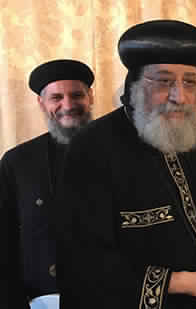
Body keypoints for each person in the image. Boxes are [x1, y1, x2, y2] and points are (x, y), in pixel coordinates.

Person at [55, 20, 196, 309]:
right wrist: (186, 282)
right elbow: (83, 264)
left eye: (189, 82)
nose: (180, 96)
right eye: (164, 81)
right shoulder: (91, 146)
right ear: (135, 84)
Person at [0, 59, 95, 308]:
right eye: (56, 97)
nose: (68, 105)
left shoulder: (120, 152)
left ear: (91, 97)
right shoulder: (17, 161)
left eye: (77, 95)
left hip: (113, 293)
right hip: (43, 298)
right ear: (41, 103)